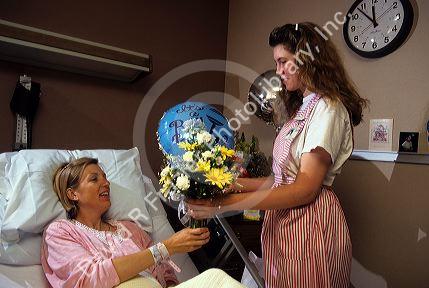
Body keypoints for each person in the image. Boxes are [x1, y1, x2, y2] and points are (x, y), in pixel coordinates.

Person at [188, 22, 368, 287]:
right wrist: (226, 184)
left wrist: (222, 205)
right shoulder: (299, 110)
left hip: (309, 225)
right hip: (283, 226)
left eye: (283, 61)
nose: (278, 71)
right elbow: (280, 180)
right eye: (277, 63)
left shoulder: (328, 108)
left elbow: (305, 189)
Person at [41, 157, 245, 288]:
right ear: (72, 193)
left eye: (105, 177)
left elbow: (166, 276)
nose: (106, 183)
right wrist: (165, 248)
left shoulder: (129, 228)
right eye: (94, 179)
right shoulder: (60, 232)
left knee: (217, 280)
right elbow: (88, 279)